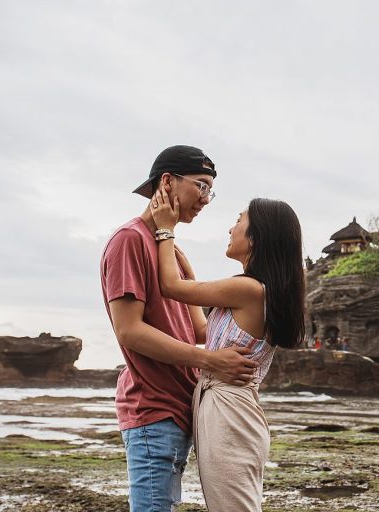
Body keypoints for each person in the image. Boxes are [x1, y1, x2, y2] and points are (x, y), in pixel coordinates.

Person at [100, 145, 259, 512]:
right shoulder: (129, 240)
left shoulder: (167, 247)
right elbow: (129, 331)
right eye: (201, 185)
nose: (205, 199)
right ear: (168, 181)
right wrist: (211, 361)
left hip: (180, 408)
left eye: (210, 191)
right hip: (153, 407)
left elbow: (196, 329)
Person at [150, 186, 305, 512]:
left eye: (239, 220)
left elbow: (169, 287)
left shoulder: (248, 289)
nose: (231, 228)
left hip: (229, 411)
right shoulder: (255, 291)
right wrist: (191, 277)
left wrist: (166, 229)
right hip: (225, 407)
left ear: (256, 237)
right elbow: (202, 331)